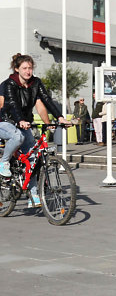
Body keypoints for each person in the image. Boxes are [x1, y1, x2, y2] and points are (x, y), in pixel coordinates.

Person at [2, 53, 70, 207]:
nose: (28, 71)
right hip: (5, 121)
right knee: (18, 137)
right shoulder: (9, 84)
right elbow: (12, 104)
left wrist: (59, 117)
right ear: (17, 69)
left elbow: (46, 100)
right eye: (24, 68)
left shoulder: (36, 83)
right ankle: (3, 162)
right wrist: (20, 120)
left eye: (30, 68)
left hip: (23, 122)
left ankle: (33, 196)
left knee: (32, 159)